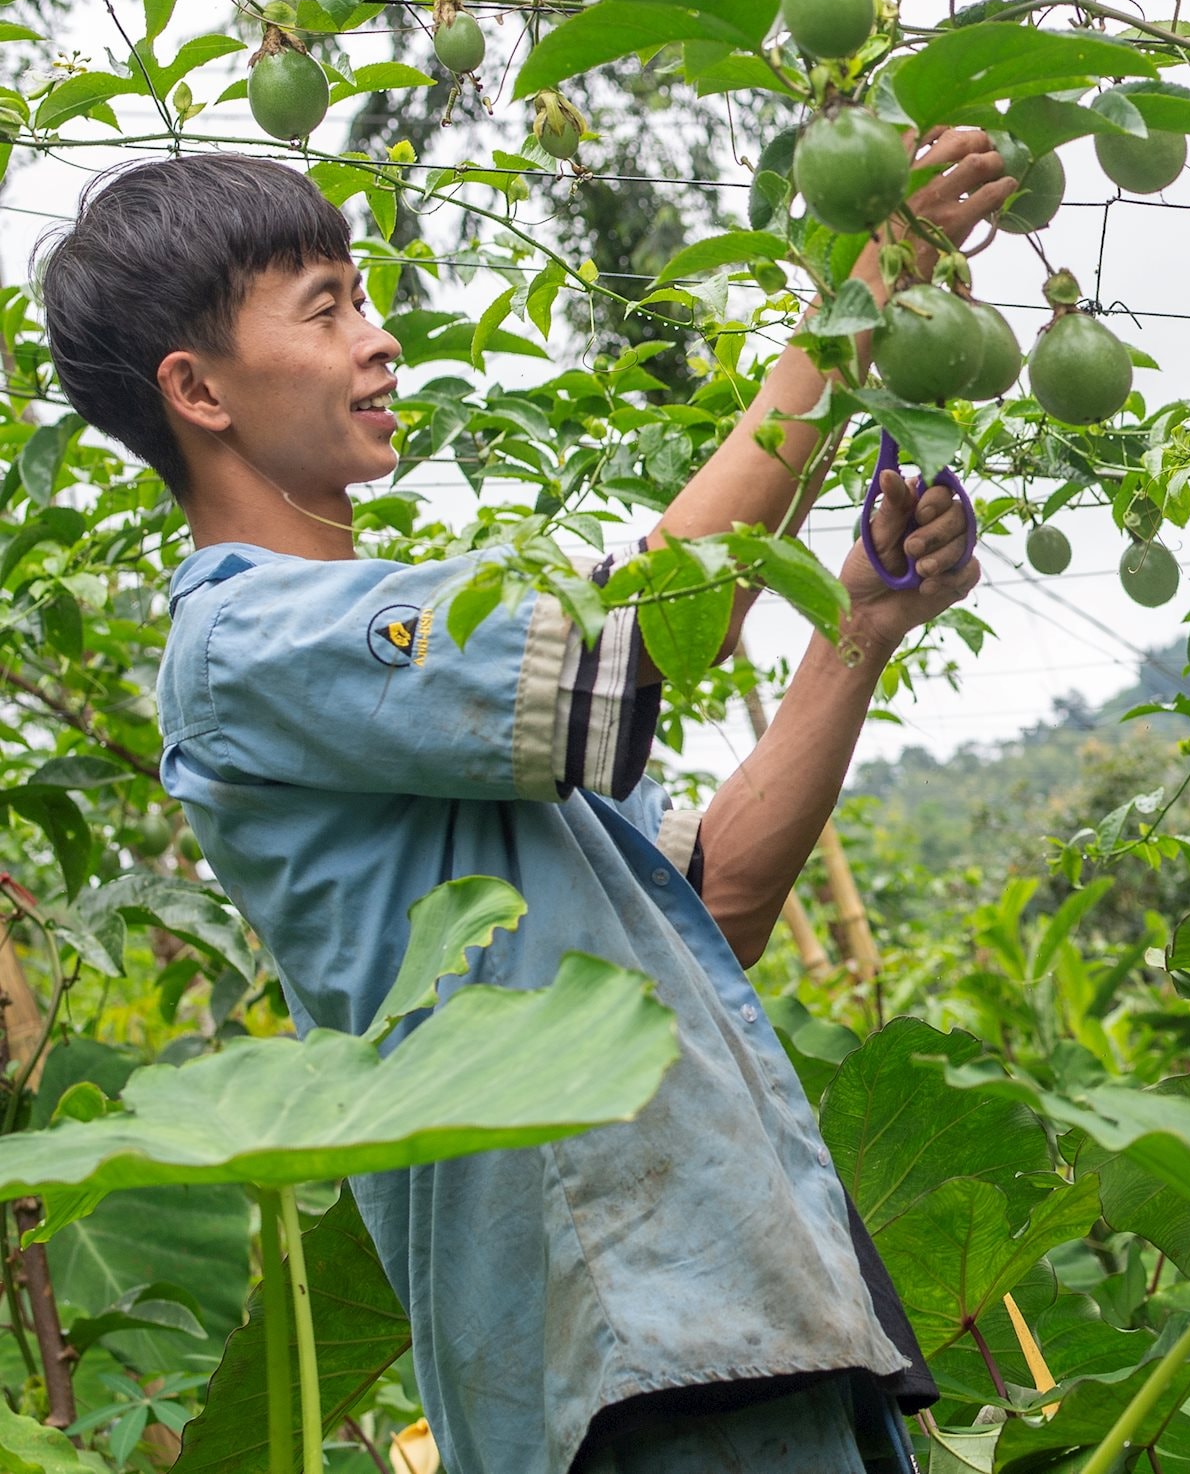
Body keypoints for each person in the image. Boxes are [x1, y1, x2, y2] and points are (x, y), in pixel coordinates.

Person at [36, 136, 1012, 1474]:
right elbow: (652, 625)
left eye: (365, 299)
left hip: (743, 1303)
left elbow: (717, 894)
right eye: (325, 309)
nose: (379, 342)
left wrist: (859, 625)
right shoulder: (244, 642)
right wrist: (846, 319)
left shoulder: (437, 688)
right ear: (196, 389)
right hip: (623, 1335)